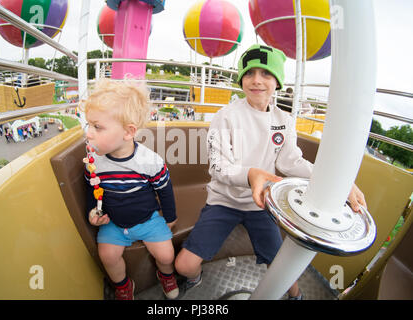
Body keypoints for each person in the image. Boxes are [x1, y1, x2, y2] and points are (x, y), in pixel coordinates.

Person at [175, 44, 367, 300]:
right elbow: (218, 167)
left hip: (261, 202)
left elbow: (291, 162)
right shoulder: (226, 116)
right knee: (183, 265)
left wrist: (338, 183)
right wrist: (251, 174)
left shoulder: (284, 121)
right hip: (224, 201)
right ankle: (195, 280)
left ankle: (295, 297)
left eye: (265, 74)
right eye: (249, 73)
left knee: (282, 270)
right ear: (241, 78)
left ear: (277, 81)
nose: (256, 80)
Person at [82, 79, 179, 300]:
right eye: (89, 125)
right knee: (107, 256)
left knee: (166, 254)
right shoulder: (93, 161)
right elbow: (91, 189)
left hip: (148, 220)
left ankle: (166, 275)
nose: (89, 133)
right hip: (114, 222)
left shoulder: (150, 161)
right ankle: (124, 285)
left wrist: (170, 217)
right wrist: (92, 212)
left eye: (97, 127)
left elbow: (165, 189)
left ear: (128, 132)